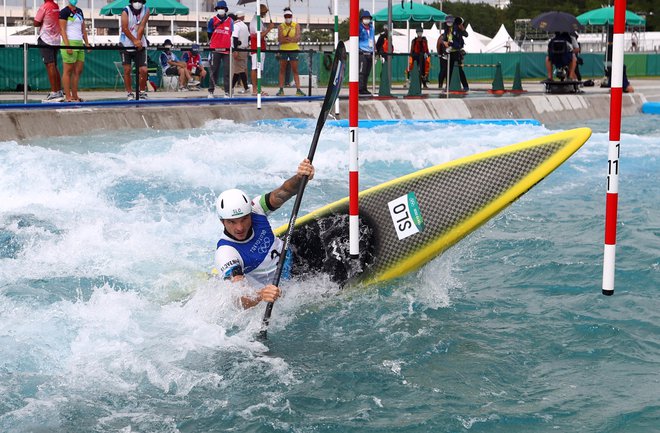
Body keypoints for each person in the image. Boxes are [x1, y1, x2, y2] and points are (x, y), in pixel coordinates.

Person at [214, 159, 315, 309]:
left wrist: (300, 178)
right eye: (232, 222)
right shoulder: (227, 253)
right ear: (223, 222)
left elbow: (285, 191)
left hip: (293, 256)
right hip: (279, 287)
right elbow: (239, 299)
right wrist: (261, 295)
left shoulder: (256, 208)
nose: (240, 227)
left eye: (244, 219)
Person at [58, 0, 90, 102]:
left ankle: (75, 95)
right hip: (69, 43)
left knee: (78, 71)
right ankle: (68, 96)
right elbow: (62, 30)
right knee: (68, 71)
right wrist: (67, 46)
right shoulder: (64, 12)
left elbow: (83, 29)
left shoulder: (80, 11)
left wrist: (87, 43)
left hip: (79, 44)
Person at [118, 0, 149, 100]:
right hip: (125, 43)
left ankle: (142, 92)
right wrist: (134, 40)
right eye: (135, 1)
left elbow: (142, 26)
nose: (138, 3)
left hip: (140, 44)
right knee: (127, 70)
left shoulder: (146, 10)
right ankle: (129, 93)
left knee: (143, 70)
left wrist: (138, 41)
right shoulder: (125, 11)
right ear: (131, 2)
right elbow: (125, 28)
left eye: (140, 1)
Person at [35, 0, 63, 102]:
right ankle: (58, 91)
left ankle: (54, 93)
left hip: (46, 39)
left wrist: (42, 21)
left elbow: (36, 22)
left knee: (50, 65)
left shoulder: (44, 7)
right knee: (54, 65)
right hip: (56, 39)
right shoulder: (56, 6)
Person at [207, 0, 233, 98]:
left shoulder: (230, 21)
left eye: (222, 8)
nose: (221, 10)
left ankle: (227, 92)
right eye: (219, 8)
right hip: (215, 49)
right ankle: (211, 91)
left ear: (226, 10)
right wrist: (214, 42)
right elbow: (209, 33)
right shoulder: (212, 20)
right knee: (214, 71)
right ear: (217, 9)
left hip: (226, 50)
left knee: (227, 72)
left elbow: (232, 34)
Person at [276, 7, 305, 97]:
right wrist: (290, 39)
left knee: (295, 69)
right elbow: (280, 39)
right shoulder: (281, 26)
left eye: (289, 16)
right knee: (282, 69)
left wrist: (288, 39)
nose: (288, 17)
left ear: (292, 16)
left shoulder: (296, 25)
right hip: (284, 49)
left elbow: (298, 38)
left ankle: (298, 89)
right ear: (284, 17)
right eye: (286, 16)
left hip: (294, 49)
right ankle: (281, 89)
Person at [249, 3, 275, 96]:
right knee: (255, 68)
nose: (265, 14)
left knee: (258, 69)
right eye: (265, 12)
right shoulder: (256, 21)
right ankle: (255, 89)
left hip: (260, 47)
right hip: (256, 48)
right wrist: (269, 29)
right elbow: (259, 35)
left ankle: (258, 89)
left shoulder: (259, 20)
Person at [447, 16, 469, 91]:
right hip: (450, 52)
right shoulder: (451, 29)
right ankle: (448, 86)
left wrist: (462, 28)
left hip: (457, 52)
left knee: (459, 70)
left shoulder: (459, 30)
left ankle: (465, 86)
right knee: (449, 70)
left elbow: (466, 35)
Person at [231, 10, 250, 94]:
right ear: (242, 17)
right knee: (238, 69)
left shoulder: (236, 26)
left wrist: (235, 50)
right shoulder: (245, 26)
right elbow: (249, 37)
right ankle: (231, 87)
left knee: (239, 69)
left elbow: (235, 38)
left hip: (238, 50)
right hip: (245, 49)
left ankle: (245, 87)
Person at [358, 10, 375, 95]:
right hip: (362, 52)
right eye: (365, 18)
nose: (367, 20)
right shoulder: (359, 28)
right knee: (362, 71)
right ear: (362, 19)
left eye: (368, 18)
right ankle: (360, 88)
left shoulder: (372, 28)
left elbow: (373, 39)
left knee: (367, 72)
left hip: (370, 52)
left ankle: (364, 88)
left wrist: (374, 50)